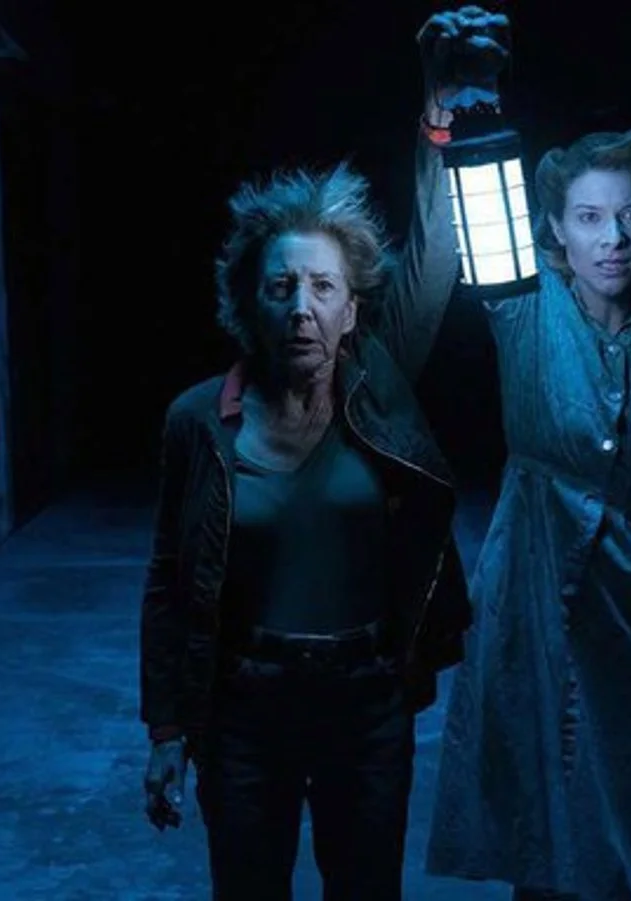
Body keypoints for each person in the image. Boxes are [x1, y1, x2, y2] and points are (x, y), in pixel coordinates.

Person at [416, 8, 631, 901]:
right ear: (555, 230)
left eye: (630, 216)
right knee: (544, 840)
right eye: (590, 218)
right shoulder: (522, 302)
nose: (613, 239)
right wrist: (465, 103)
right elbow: (467, 197)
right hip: (537, 602)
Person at [136, 87, 471, 898]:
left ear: (352, 310)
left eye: (323, 288)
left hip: (366, 702)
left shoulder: (379, 395)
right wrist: (167, 727)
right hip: (246, 708)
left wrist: (436, 122)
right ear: (250, 303)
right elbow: (168, 580)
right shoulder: (197, 421)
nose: (301, 308)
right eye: (281, 286)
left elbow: (431, 265)